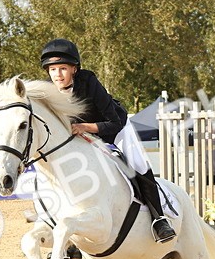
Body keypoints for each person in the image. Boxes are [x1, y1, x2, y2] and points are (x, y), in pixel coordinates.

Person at [41, 38, 176, 243]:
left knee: (137, 164)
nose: (57, 75)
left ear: (74, 69)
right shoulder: (48, 92)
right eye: (52, 70)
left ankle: (159, 219)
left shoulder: (89, 81)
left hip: (115, 129)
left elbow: (114, 122)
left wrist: (85, 127)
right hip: (81, 136)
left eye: (62, 68)